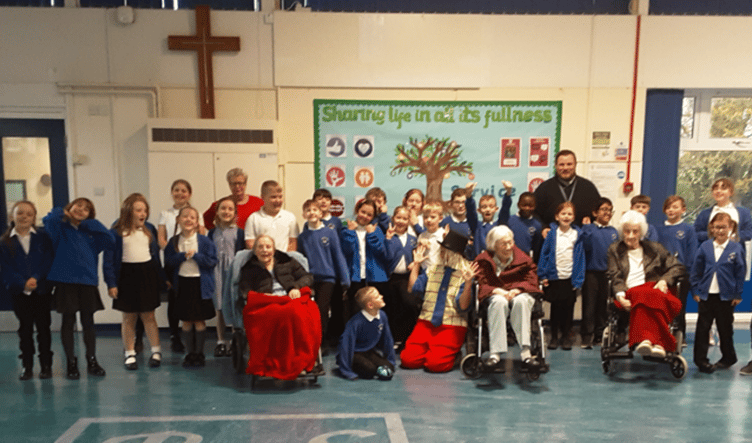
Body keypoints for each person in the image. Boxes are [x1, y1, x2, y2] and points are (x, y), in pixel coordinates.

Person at [43, 198, 114, 380]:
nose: (81, 210)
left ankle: (92, 360)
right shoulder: (60, 229)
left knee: (88, 322)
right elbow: (49, 220)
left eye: (86, 209)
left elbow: (110, 239)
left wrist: (88, 222)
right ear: (70, 208)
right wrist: (63, 214)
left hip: (87, 282)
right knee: (68, 322)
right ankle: (71, 362)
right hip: (66, 282)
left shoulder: (91, 233)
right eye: (78, 206)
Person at [238, 235, 322, 379]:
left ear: (274, 249)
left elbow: (307, 277)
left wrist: (295, 287)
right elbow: (245, 290)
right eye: (260, 247)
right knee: (285, 314)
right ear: (255, 250)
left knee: (303, 313)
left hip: (290, 298)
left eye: (268, 247)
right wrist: (263, 296)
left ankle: (303, 361)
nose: (265, 250)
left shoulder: (287, 261)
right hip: (268, 303)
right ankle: (286, 363)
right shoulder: (249, 268)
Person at [606, 210, 685, 359]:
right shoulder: (615, 250)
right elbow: (614, 275)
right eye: (627, 231)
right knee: (645, 295)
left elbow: (677, 267)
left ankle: (648, 341)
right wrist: (621, 296)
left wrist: (663, 280)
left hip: (652, 290)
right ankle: (658, 342)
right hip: (630, 292)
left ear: (641, 232)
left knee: (650, 295)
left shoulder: (654, 248)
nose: (630, 235)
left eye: (635, 231)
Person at [400, 229, 478, 373]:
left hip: (451, 324)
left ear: (456, 254)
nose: (441, 254)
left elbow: (463, 306)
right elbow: (413, 288)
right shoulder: (432, 269)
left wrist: (468, 284)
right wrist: (416, 264)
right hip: (426, 321)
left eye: (445, 251)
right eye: (441, 250)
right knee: (407, 360)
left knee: (436, 365)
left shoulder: (466, 272)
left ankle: (453, 355)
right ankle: (431, 349)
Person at [103, 194, 165, 370]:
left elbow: (155, 257)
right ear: (128, 211)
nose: (142, 213)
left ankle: (156, 350)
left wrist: (161, 279)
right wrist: (111, 283)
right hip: (126, 276)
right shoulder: (115, 231)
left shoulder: (149, 229)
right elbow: (108, 260)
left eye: (145, 210)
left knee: (149, 316)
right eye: (138, 210)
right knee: (128, 317)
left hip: (146, 274)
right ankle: (129, 353)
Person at [474, 226, 542, 369]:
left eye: (510, 242)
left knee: (521, 301)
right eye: (503, 244)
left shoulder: (523, 259)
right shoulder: (484, 260)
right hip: (496, 294)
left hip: (520, 293)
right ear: (494, 246)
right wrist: (498, 291)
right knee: (499, 302)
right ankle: (495, 354)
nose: (508, 247)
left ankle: (526, 353)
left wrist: (518, 290)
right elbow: (482, 283)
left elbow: (532, 281)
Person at [0, 201, 53, 380]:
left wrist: (36, 278)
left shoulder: (43, 237)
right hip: (20, 293)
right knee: (25, 330)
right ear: (11, 217)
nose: (24, 217)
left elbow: (47, 261)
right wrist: (22, 283)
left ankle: (46, 365)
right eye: (20, 213)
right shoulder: (4, 242)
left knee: (44, 329)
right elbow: (5, 269)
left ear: (34, 217)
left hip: (41, 291)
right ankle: (27, 365)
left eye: (29, 214)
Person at [690, 212, 745, 374]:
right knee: (702, 329)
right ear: (712, 229)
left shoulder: (736, 248)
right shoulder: (705, 247)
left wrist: (738, 294)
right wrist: (695, 289)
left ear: (731, 228)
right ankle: (701, 361)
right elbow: (696, 270)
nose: (720, 230)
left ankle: (729, 357)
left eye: (724, 227)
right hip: (707, 296)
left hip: (726, 297)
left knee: (725, 328)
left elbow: (740, 272)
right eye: (717, 227)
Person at [164, 206, 218, 368]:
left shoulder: (205, 241)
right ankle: (190, 353)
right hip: (183, 284)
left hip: (199, 284)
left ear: (197, 222)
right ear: (178, 220)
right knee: (186, 321)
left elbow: (212, 261)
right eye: (185, 216)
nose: (188, 220)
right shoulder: (173, 242)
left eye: (192, 217)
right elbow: (168, 262)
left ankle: (199, 354)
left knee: (199, 321)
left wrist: (196, 256)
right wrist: (182, 256)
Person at [158, 179, 205, 353]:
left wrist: (191, 250)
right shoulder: (166, 213)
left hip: (193, 261)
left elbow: (201, 235)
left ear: (189, 194)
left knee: (192, 298)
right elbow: (161, 239)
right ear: (172, 192)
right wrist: (175, 251)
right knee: (174, 298)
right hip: (174, 261)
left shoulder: (196, 213)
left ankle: (194, 340)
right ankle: (174, 336)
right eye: (176, 190)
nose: (180, 193)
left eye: (184, 190)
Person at [297, 199, 349, 347]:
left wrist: (345, 280)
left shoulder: (330, 233)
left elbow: (338, 256)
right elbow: (301, 259)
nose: (312, 212)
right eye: (308, 210)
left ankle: (322, 343)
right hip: (310, 279)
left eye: (315, 209)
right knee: (309, 311)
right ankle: (310, 341)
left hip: (328, 278)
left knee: (322, 310)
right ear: (304, 214)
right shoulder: (303, 237)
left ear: (321, 213)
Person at [538, 202, 585, 350]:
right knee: (555, 308)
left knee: (568, 309)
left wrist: (578, 279)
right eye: (563, 213)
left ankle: (566, 337)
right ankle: (553, 337)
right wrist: (543, 274)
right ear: (557, 216)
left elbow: (581, 257)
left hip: (570, 278)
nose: (566, 216)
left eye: (569, 214)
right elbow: (544, 254)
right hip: (554, 277)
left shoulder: (577, 235)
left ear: (574, 217)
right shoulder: (552, 234)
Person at [207, 196, 245, 357]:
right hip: (217, 272)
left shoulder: (239, 232)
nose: (226, 211)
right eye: (223, 208)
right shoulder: (211, 233)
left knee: (234, 304)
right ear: (217, 212)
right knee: (220, 307)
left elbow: (242, 254)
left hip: (233, 271)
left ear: (235, 213)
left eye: (230, 209)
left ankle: (236, 339)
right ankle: (221, 341)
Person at [341, 198, 390, 320]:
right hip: (355, 277)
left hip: (374, 277)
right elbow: (346, 251)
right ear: (357, 210)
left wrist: (372, 235)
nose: (365, 216)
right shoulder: (347, 229)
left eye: (369, 215)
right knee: (355, 309)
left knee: (375, 311)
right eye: (363, 212)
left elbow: (381, 253)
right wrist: (350, 232)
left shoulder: (376, 230)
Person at [579, 197, 618, 348]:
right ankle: (586, 337)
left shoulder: (613, 232)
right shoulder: (588, 229)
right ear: (595, 213)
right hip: (591, 273)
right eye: (603, 210)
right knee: (589, 306)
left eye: (609, 210)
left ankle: (600, 335)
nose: (607, 213)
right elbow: (586, 247)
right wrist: (586, 228)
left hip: (607, 273)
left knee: (603, 306)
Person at [657, 195, 697, 340]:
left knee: (679, 306)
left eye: (675, 207)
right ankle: (661, 334)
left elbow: (692, 254)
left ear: (683, 209)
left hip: (682, 274)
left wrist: (690, 274)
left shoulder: (688, 229)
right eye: (668, 207)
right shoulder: (658, 230)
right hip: (662, 275)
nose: (671, 210)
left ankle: (680, 335)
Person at [336, 286, 396, 380]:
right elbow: (346, 345)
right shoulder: (355, 322)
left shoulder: (382, 316)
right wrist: (346, 371)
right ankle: (343, 362)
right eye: (377, 297)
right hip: (354, 352)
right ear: (370, 305)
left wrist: (391, 360)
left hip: (368, 351)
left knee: (389, 368)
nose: (381, 296)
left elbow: (387, 339)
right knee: (370, 371)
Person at [533, 149, 601, 232]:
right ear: (555, 165)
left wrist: (591, 219)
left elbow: (598, 212)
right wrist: (543, 227)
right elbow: (535, 214)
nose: (565, 168)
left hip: (581, 238)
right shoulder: (544, 188)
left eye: (569, 164)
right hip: (553, 238)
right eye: (561, 164)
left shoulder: (588, 187)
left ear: (575, 165)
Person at [385, 206, 420, 345]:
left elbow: (417, 255)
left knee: (409, 304)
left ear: (408, 221)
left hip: (406, 278)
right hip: (391, 278)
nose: (401, 221)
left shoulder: (413, 239)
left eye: (405, 218)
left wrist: (413, 264)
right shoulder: (389, 236)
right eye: (398, 217)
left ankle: (408, 338)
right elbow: (387, 257)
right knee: (393, 308)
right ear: (393, 218)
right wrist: (388, 239)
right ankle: (394, 339)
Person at [693, 178, 752, 248]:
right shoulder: (704, 214)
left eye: (723, 188)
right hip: (709, 254)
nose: (718, 191)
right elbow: (695, 233)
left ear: (731, 192)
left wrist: (732, 236)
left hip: (734, 254)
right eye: (716, 188)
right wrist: (713, 235)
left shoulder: (743, 212)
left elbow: (749, 233)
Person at [244, 180, 299, 252]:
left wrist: (284, 259)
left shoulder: (290, 217)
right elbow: (250, 243)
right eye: (273, 197)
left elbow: (293, 242)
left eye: (280, 197)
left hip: (284, 260)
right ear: (262, 197)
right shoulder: (253, 218)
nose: (278, 200)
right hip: (261, 260)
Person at [466, 180, 510, 258]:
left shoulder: (499, 226)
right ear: (479, 210)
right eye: (484, 207)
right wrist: (469, 195)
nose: (488, 209)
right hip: (479, 264)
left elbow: (505, 211)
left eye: (491, 206)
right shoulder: (476, 226)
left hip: (496, 264)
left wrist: (508, 193)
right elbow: (471, 213)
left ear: (496, 209)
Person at [503, 191, 543, 261]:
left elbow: (537, 248)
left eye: (530, 206)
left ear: (535, 206)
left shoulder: (537, 225)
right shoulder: (509, 221)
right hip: (509, 259)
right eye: (524, 205)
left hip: (527, 260)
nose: (527, 208)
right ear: (518, 205)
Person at [441, 184, 475, 258]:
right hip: (450, 266)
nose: (460, 205)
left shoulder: (473, 223)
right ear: (451, 203)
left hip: (469, 265)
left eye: (463, 202)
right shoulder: (444, 223)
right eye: (457, 202)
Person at [417, 201, 446, 271]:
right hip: (424, 271)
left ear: (440, 218)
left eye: (433, 217)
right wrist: (420, 244)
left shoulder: (444, 234)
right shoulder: (422, 236)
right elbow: (418, 254)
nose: (428, 220)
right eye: (426, 217)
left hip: (440, 271)